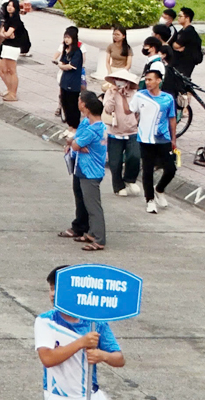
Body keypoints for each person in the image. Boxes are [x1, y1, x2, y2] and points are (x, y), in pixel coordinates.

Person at [35, 266, 125, 399]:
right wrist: (81, 342)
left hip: (91, 394)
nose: (53, 294)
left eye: (59, 288)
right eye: (52, 288)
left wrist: (102, 355)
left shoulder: (95, 321)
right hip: (58, 395)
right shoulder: (46, 321)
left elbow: (119, 359)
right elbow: (48, 359)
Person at [60, 91, 108, 251]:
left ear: (86, 107)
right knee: (85, 202)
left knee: (93, 206)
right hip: (83, 168)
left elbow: (75, 144)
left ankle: (99, 239)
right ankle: (91, 232)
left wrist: (74, 142)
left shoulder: (92, 130)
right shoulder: (95, 126)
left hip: (90, 172)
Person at [129, 70, 177, 214]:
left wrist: (173, 138)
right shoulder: (140, 95)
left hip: (163, 138)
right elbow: (130, 111)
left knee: (171, 169)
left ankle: (159, 189)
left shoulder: (168, 98)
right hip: (145, 139)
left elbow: (172, 118)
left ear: (158, 81)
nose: (148, 82)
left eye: (150, 80)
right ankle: (149, 200)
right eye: (146, 80)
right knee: (148, 170)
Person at [102, 69, 141, 197]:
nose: (121, 84)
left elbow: (136, 111)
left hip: (132, 131)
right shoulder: (110, 92)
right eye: (118, 81)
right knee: (115, 162)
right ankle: (118, 186)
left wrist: (124, 96)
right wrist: (114, 95)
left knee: (134, 156)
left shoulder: (135, 94)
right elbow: (108, 109)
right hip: (115, 132)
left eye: (123, 81)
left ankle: (129, 179)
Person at [0, 0, 24, 102]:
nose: (9, 7)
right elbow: (3, 33)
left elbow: (6, 34)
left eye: (12, 6)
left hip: (13, 47)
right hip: (6, 46)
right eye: (8, 5)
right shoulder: (7, 19)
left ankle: (13, 93)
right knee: (0, 69)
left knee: (12, 71)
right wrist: (6, 35)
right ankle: (9, 89)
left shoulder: (15, 20)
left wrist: (6, 34)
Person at [57, 26, 83, 132]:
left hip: (73, 82)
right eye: (65, 37)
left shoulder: (77, 52)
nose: (66, 40)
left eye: (68, 37)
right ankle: (69, 126)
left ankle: (75, 126)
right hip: (64, 81)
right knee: (65, 102)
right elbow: (62, 62)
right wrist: (62, 65)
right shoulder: (66, 50)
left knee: (73, 105)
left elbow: (71, 66)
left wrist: (61, 66)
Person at [170, 7, 202, 79]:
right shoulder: (182, 31)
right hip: (181, 60)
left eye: (180, 16)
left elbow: (176, 45)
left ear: (187, 18)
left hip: (187, 61)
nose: (178, 18)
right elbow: (175, 45)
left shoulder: (189, 31)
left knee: (182, 82)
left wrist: (176, 46)